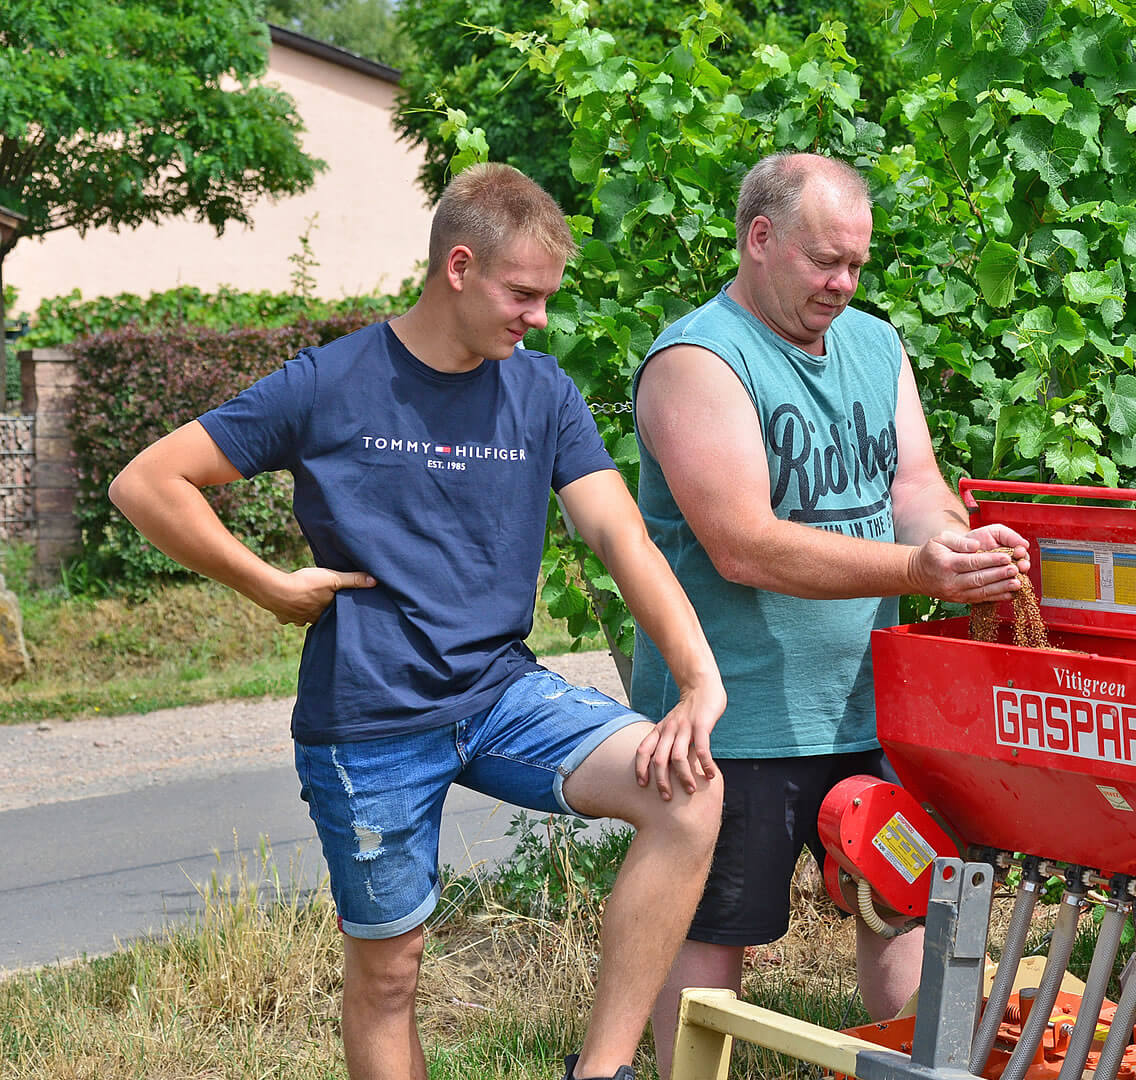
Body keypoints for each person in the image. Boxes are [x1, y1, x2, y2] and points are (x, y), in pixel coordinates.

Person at [108, 162, 725, 1080]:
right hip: (371, 716)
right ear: (460, 267)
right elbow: (147, 482)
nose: (539, 317)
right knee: (391, 974)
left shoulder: (542, 392)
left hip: (501, 692)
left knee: (687, 791)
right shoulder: (331, 381)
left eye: (549, 297)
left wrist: (698, 678)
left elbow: (618, 535)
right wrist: (268, 585)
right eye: (525, 293)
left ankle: (603, 1071)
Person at [630, 151, 1030, 1075]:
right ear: (760, 239)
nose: (844, 284)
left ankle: (921, 1065)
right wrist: (913, 567)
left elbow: (915, 482)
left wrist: (953, 545)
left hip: (874, 699)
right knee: (713, 927)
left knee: (904, 892)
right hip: (742, 716)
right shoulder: (698, 361)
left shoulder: (874, 344)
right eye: (825, 262)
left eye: (857, 263)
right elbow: (743, 543)